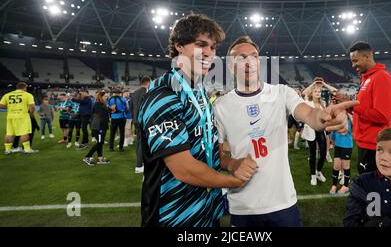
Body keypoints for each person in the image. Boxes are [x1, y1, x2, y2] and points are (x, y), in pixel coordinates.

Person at [213, 36, 358, 227]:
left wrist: (323, 117)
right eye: (240, 58)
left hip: (282, 202)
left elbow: (309, 115)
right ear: (231, 66)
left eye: (253, 56)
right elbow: (217, 153)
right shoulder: (221, 106)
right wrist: (232, 163)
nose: (248, 62)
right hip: (243, 205)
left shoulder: (282, 93)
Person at [137, 14, 248, 227]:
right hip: (173, 215)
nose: (208, 53)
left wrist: (232, 163)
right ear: (179, 46)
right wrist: (234, 181)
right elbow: (183, 168)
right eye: (200, 45)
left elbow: (206, 147)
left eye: (213, 47)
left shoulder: (199, 92)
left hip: (206, 210)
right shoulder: (163, 95)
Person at [334, 41, 391, 174]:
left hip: (374, 144)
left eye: (355, 60)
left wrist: (351, 104)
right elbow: (363, 108)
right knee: (369, 187)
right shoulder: (367, 78)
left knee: (375, 191)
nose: (353, 65)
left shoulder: (381, 77)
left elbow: (382, 116)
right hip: (365, 142)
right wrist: (348, 105)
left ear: (368, 56)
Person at [0, 82, 39, 154]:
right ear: (25, 88)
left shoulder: (7, 95)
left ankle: (7, 150)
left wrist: (10, 108)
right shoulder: (27, 95)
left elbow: (1, 105)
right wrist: (31, 113)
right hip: (22, 116)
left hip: (11, 116)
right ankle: (27, 149)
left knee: (9, 133)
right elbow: (32, 106)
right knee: (24, 132)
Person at [302, 84, 328, 186]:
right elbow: (304, 92)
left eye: (319, 92)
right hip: (311, 131)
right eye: (315, 92)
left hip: (321, 131)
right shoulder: (308, 103)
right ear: (312, 93)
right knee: (313, 154)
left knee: (323, 154)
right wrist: (313, 84)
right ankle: (313, 175)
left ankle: (318, 171)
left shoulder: (323, 103)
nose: (318, 93)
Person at [83, 90, 111, 166]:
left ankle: (100, 158)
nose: (107, 97)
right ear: (101, 96)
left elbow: (105, 114)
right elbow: (101, 116)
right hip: (98, 127)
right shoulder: (97, 104)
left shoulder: (102, 104)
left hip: (102, 126)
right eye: (105, 96)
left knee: (100, 143)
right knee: (100, 143)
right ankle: (87, 157)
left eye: (107, 96)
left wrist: (110, 110)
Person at [130, 76, 151, 174]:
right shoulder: (148, 92)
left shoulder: (134, 93)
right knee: (143, 143)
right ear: (148, 82)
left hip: (136, 120)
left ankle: (140, 164)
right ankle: (139, 165)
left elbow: (131, 107)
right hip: (144, 121)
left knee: (139, 142)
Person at [329, 114, 353, 195]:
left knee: (345, 166)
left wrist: (333, 127)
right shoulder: (336, 120)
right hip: (338, 146)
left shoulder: (348, 120)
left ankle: (346, 186)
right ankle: (334, 185)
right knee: (336, 166)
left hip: (347, 146)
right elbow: (332, 135)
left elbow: (344, 131)